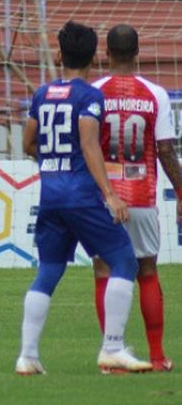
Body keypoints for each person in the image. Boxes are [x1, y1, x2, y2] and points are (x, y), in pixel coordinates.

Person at [15, 21, 152, 375]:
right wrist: (110, 195)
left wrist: (53, 162)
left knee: (48, 270)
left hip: (51, 194)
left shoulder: (42, 94)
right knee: (124, 261)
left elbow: (28, 144)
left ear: (60, 55)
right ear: (95, 57)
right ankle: (113, 347)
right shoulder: (90, 97)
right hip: (81, 195)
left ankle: (27, 356)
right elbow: (90, 145)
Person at [90, 24, 182, 372]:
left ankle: (111, 355)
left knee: (104, 270)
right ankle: (157, 356)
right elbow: (166, 151)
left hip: (105, 198)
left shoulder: (94, 93)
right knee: (147, 271)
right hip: (142, 196)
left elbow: (87, 147)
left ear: (107, 53)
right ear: (138, 52)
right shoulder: (155, 94)